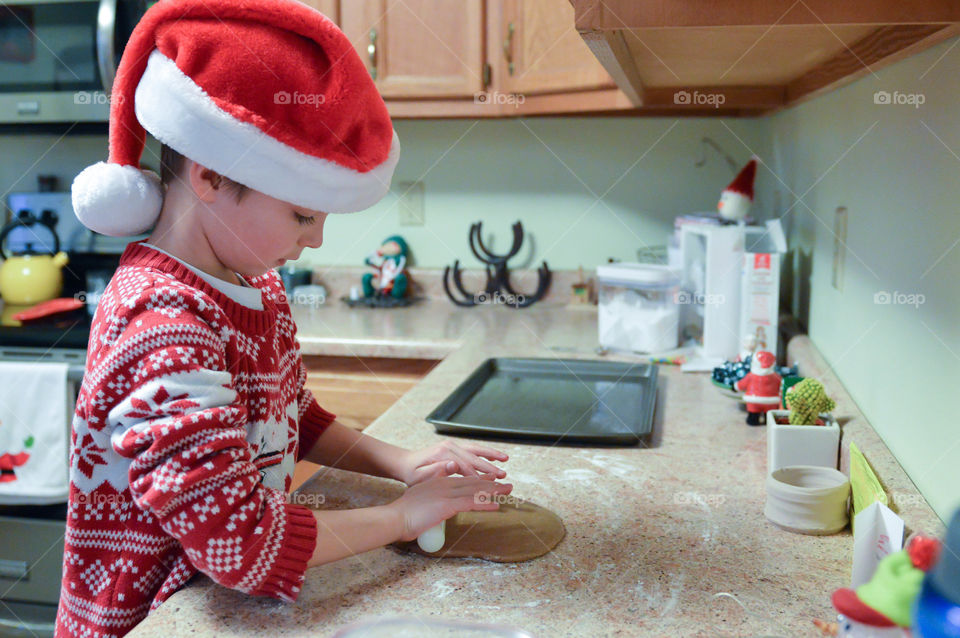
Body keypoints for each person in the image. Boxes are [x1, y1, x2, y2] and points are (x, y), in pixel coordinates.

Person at [56, 0, 511, 635]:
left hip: (223, 609)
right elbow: (239, 544)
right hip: (150, 621)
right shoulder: (159, 319)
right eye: (303, 216)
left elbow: (292, 416)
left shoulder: (256, 288)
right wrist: (404, 517)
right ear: (212, 175)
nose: (316, 241)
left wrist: (407, 464)